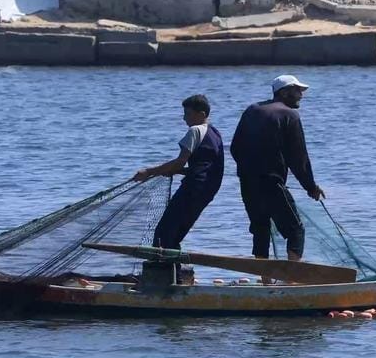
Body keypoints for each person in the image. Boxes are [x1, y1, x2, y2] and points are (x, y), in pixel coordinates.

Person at [231, 75, 325, 265]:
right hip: (271, 183)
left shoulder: (252, 110)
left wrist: (248, 171)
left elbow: (235, 147)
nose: (300, 95)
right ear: (283, 92)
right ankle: (291, 279)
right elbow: (298, 158)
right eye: (297, 91)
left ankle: (264, 280)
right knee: (296, 230)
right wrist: (310, 186)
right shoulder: (289, 115)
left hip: (247, 183)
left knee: (260, 228)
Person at [133, 94, 224, 251]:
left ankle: (164, 273)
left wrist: (148, 171)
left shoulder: (195, 131)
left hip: (193, 189)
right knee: (175, 233)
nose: (184, 118)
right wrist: (176, 171)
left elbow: (179, 161)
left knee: (163, 234)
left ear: (201, 114)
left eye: (187, 114)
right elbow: (204, 166)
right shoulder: (214, 133)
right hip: (208, 190)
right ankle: (177, 271)